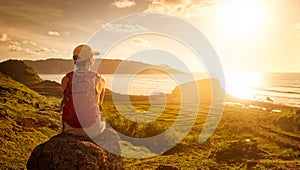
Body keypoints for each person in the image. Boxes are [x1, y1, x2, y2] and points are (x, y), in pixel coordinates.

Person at [61, 44, 106, 138]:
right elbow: (99, 103)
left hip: (69, 128)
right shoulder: (98, 79)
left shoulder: (66, 79)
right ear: (90, 61)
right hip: (92, 130)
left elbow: (65, 101)